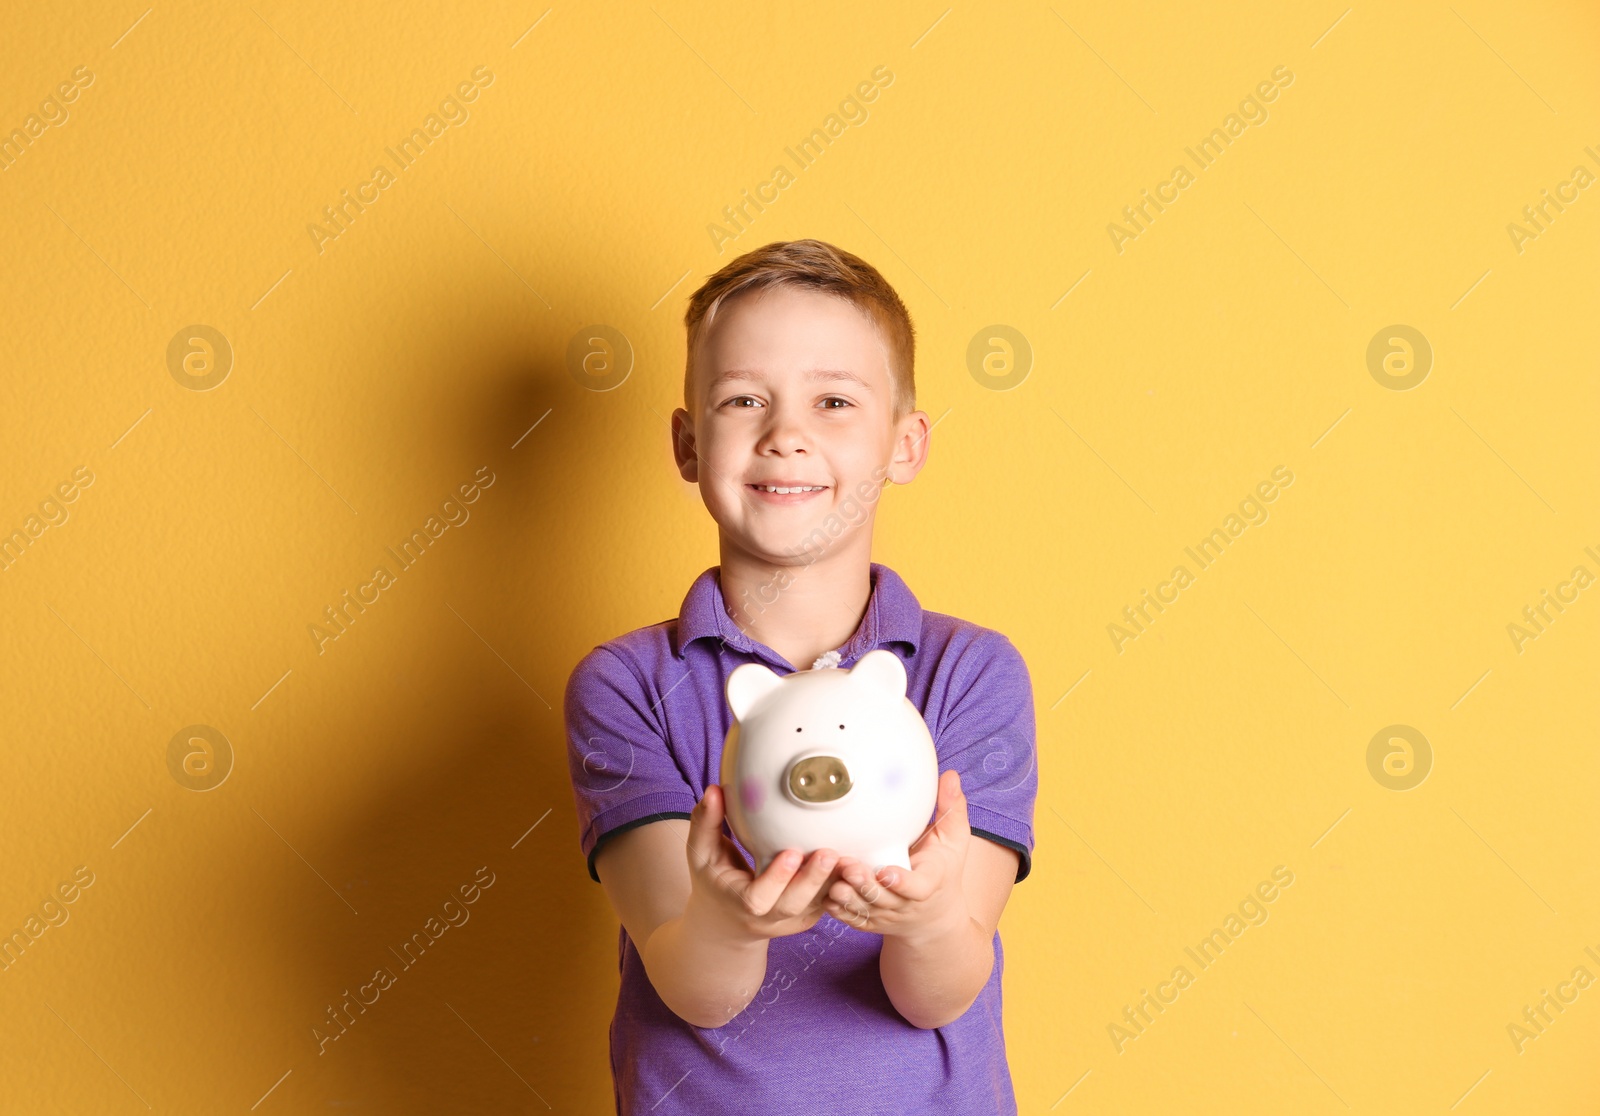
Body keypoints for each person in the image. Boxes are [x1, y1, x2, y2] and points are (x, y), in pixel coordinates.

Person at [563, 238, 1038, 1114]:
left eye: (834, 401)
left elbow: (937, 992)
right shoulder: (626, 685)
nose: (786, 435)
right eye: (744, 399)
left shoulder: (970, 673)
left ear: (905, 444)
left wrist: (927, 917)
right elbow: (693, 988)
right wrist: (731, 920)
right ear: (687, 443)